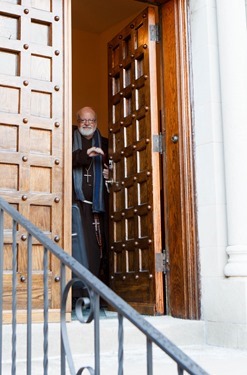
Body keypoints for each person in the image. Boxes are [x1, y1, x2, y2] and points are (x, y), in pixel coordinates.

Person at [72, 106, 109, 299]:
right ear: (77, 122)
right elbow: (63, 161)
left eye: (91, 120)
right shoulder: (69, 139)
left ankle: (95, 294)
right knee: (78, 249)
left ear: (96, 122)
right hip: (77, 205)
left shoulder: (105, 144)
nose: (87, 124)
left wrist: (110, 174)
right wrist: (86, 154)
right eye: (83, 120)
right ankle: (77, 295)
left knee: (97, 250)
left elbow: (116, 166)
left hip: (98, 206)